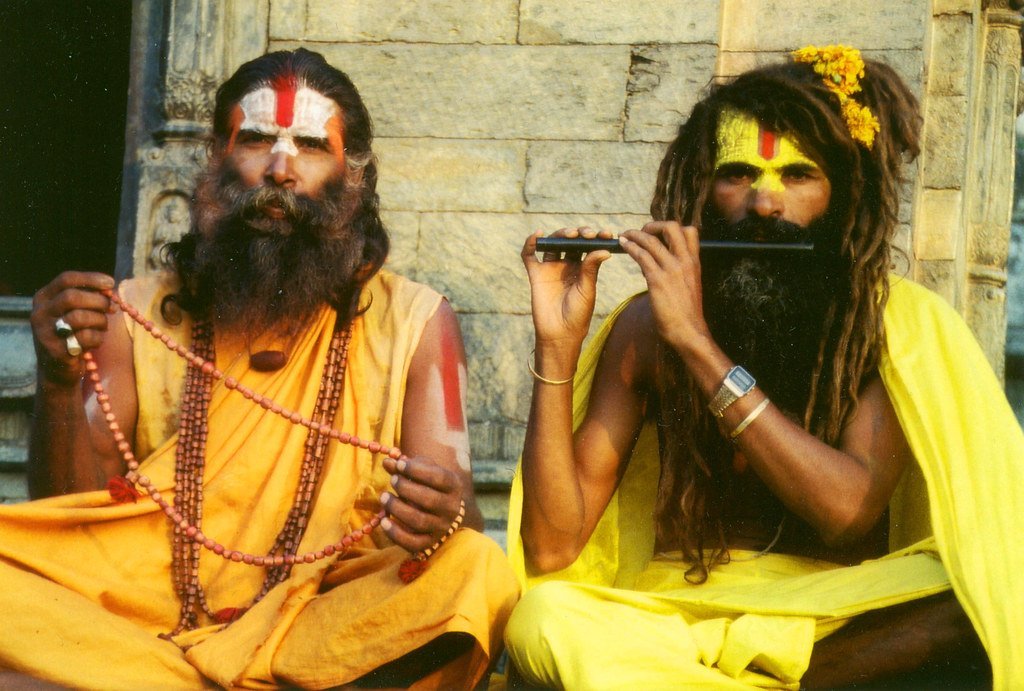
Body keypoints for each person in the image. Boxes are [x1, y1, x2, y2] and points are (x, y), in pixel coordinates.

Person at [505, 45, 1024, 688]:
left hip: (832, 619)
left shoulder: (889, 324)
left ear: (845, 192)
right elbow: (552, 546)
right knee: (545, 618)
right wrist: (557, 343)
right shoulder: (645, 328)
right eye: (739, 174)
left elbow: (846, 512)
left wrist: (698, 347)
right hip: (677, 621)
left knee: (986, 595)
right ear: (704, 190)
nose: (765, 204)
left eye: (798, 175)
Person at [1, 48, 518, 689]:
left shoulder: (415, 320)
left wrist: (438, 516)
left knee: (475, 571)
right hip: (143, 618)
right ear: (215, 162)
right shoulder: (133, 315)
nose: (280, 169)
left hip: (316, 618)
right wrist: (57, 383)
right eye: (254, 141)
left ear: (355, 178)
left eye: (311, 146)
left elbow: (457, 519)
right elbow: (69, 519)